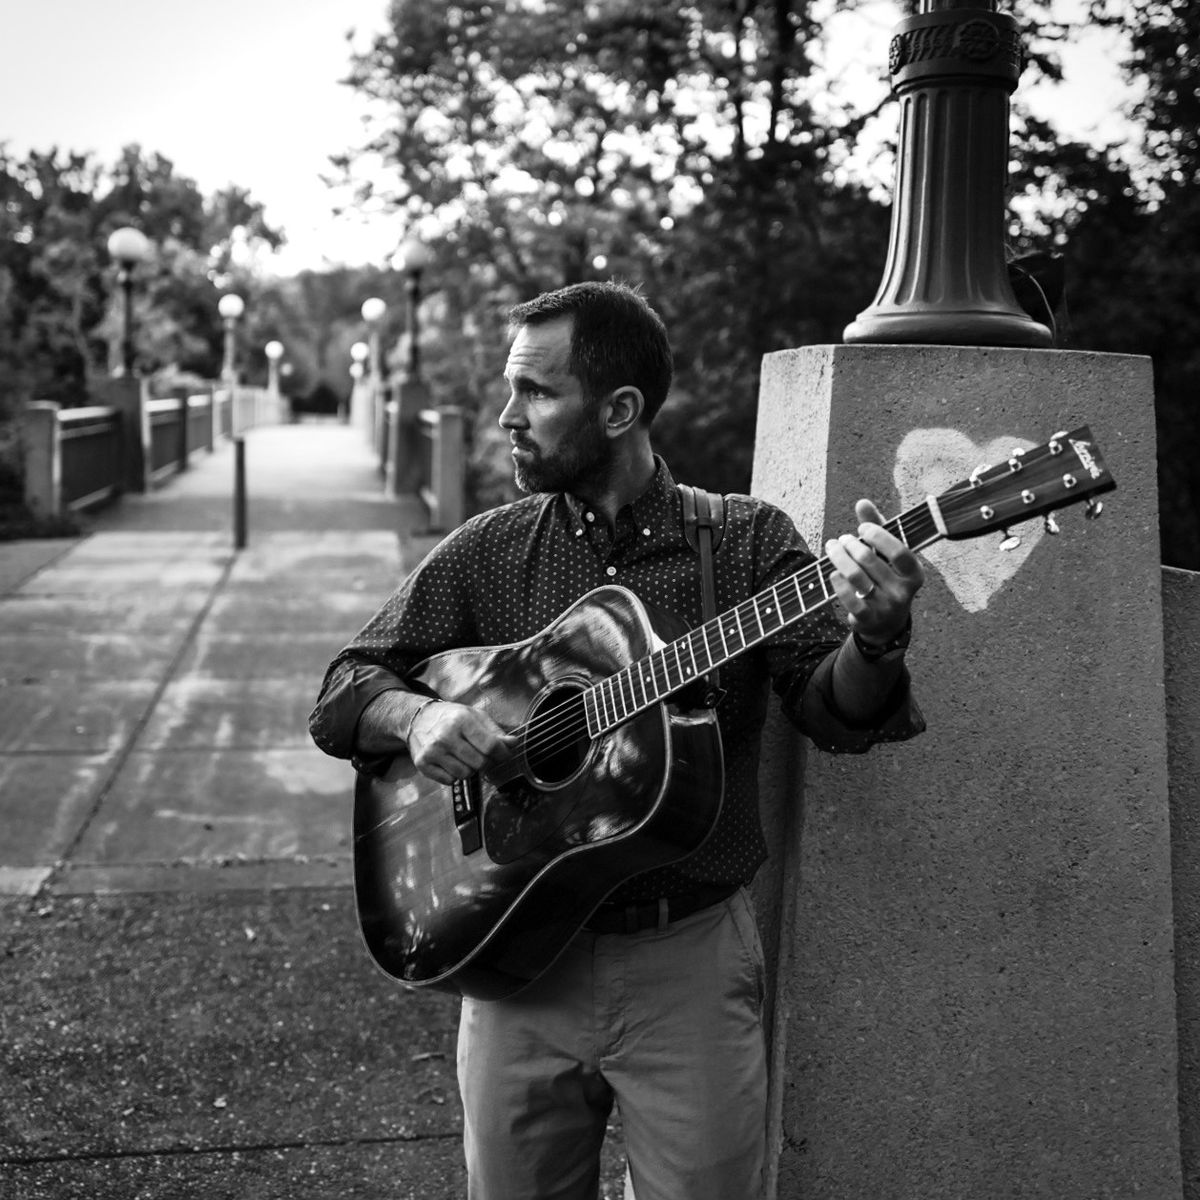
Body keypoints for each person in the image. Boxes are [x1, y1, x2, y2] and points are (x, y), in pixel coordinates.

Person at [309, 280, 925, 1200]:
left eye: (537, 393)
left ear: (620, 408)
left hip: (688, 966)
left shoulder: (747, 545)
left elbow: (834, 715)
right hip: (515, 960)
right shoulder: (488, 550)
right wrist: (418, 715)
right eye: (511, 389)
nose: (507, 415)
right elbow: (342, 692)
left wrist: (875, 636)